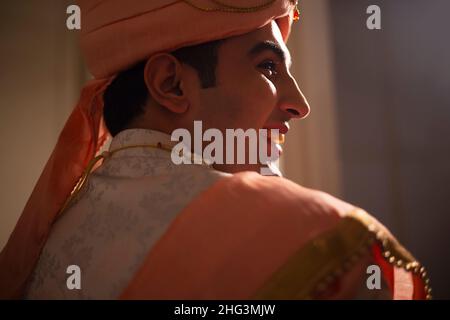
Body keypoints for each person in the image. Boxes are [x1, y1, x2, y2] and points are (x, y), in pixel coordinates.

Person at [0, 0, 430, 299]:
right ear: (171, 83)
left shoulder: (51, 246)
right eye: (267, 67)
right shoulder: (325, 240)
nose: (300, 103)